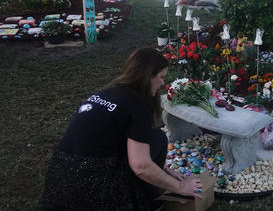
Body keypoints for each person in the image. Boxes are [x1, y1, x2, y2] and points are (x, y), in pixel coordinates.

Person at [40, 47, 202, 210]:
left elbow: (111, 139)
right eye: (161, 77)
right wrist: (180, 187)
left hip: (61, 178)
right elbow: (141, 166)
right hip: (95, 185)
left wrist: (163, 171)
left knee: (153, 138)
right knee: (158, 139)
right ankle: (147, 200)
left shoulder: (107, 92)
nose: (162, 83)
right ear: (147, 76)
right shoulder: (138, 105)